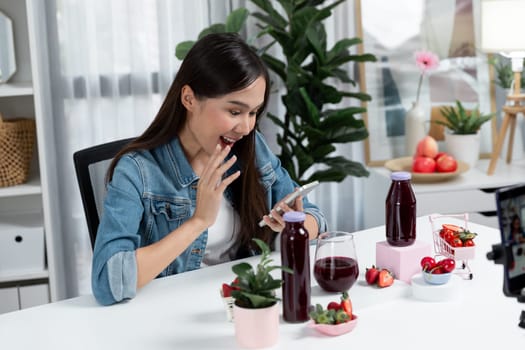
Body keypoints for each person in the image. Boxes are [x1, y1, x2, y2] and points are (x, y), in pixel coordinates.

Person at [91, 33, 328, 305]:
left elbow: (315, 217)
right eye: (235, 112)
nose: (246, 127)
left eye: (253, 113)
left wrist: (296, 226)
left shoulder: (251, 148)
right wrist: (198, 222)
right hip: (170, 316)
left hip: (244, 305)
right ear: (189, 99)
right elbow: (107, 282)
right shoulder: (137, 172)